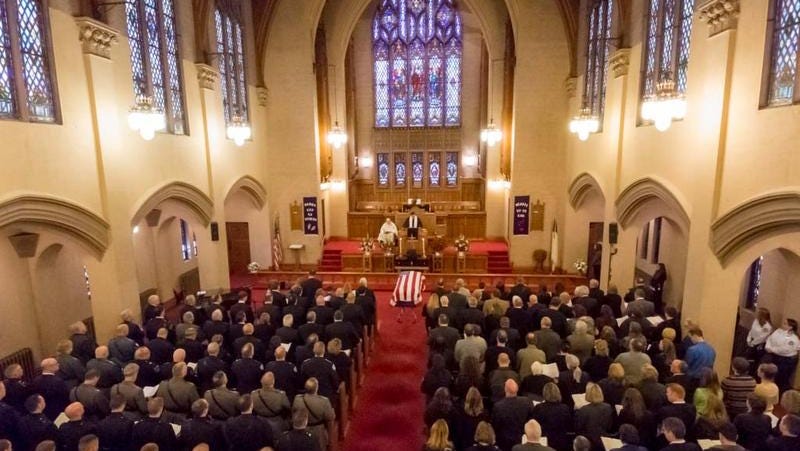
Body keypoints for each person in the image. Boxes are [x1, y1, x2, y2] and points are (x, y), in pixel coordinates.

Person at [292, 378, 335, 451]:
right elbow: (330, 417)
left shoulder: (297, 399)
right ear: (316, 388)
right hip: (318, 431)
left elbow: (293, 412)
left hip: (303, 429)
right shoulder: (324, 401)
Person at [492, 379, 533, 451]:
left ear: (505, 389)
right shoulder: (527, 402)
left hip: (504, 443)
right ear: (517, 389)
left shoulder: (498, 406)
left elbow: (495, 426)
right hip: (522, 440)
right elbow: (531, 420)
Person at [531, 382, 572, 451]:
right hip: (561, 443)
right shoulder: (564, 408)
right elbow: (569, 426)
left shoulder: (538, 408)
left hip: (544, 443)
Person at [574, 382, 615, 451]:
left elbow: (578, 427)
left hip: (588, 443)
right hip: (603, 442)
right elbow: (609, 426)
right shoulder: (608, 407)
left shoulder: (584, 409)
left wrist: (576, 411)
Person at [764, 318, 800, 392]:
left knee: (781, 378)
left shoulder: (793, 338)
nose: (782, 324)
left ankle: (780, 394)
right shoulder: (778, 331)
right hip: (775, 356)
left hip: (786, 360)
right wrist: (768, 347)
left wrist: (772, 350)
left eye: (785, 323)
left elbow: (785, 349)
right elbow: (770, 339)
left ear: (790, 327)